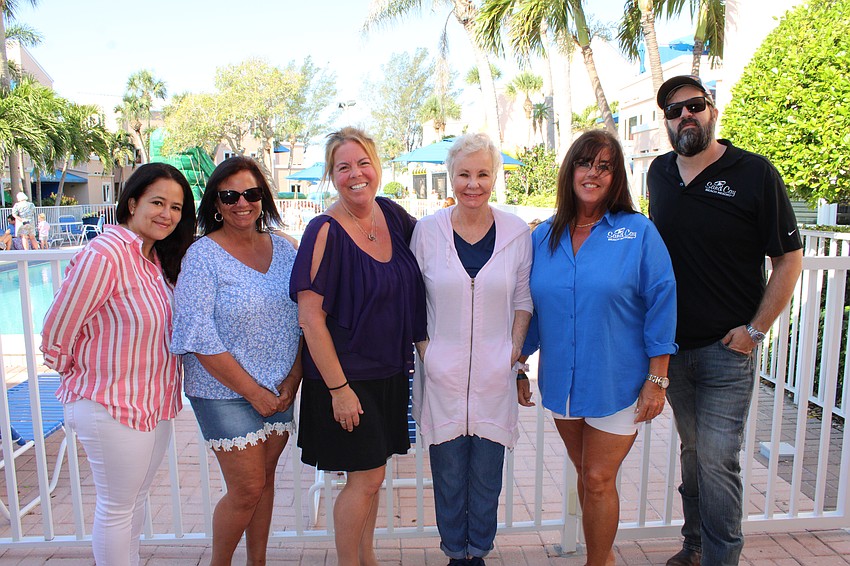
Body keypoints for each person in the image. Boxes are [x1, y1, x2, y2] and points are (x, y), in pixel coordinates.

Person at [649, 75, 803, 566]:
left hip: (727, 349)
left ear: (712, 110)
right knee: (695, 454)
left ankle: (721, 558)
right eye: (674, 111)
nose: (685, 116)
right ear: (667, 123)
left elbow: (789, 258)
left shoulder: (754, 172)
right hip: (673, 352)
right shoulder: (658, 174)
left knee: (718, 459)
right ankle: (693, 546)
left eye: (694, 106)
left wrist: (755, 330)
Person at [521, 130, 678, 566]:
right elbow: (532, 308)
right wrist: (518, 363)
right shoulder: (543, 237)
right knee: (586, 477)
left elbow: (662, 301)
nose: (592, 173)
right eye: (584, 163)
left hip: (619, 381)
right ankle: (602, 557)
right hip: (564, 383)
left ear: (616, 177)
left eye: (604, 166)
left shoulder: (637, 232)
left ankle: (598, 562)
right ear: (569, 170)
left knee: (597, 476)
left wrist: (657, 378)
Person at [40, 163, 196, 566]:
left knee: (133, 502)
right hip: (110, 404)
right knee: (115, 507)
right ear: (131, 202)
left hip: (151, 403)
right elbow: (58, 328)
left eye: (176, 207)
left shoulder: (153, 260)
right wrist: (80, 376)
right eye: (157, 202)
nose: (167, 214)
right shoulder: (106, 254)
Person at [290, 127, 426, 566]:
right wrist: (338, 389)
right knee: (365, 480)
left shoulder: (394, 215)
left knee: (373, 477)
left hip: (389, 373)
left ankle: (366, 560)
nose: (356, 174)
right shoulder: (323, 230)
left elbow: (439, 255)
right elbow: (310, 317)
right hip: (345, 379)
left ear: (377, 166)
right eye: (343, 166)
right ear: (332, 176)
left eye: (363, 162)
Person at [170, 156, 302, 566]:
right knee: (246, 488)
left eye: (251, 193)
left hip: (279, 389)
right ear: (215, 203)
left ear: (263, 197)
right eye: (229, 195)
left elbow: (306, 320)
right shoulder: (202, 256)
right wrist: (252, 392)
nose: (241, 203)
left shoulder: (286, 250)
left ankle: (257, 562)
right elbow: (196, 333)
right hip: (224, 391)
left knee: (263, 484)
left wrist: (293, 379)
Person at [410, 133, 532, 566]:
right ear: (451, 177)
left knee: (485, 477)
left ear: (494, 177)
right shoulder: (426, 232)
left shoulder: (517, 233)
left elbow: (523, 301)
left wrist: (512, 356)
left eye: (482, 173)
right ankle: (454, 556)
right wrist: (430, 354)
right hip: (441, 378)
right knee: (447, 477)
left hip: (494, 378)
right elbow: (413, 302)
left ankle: (477, 553)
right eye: (464, 174)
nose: (473, 184)